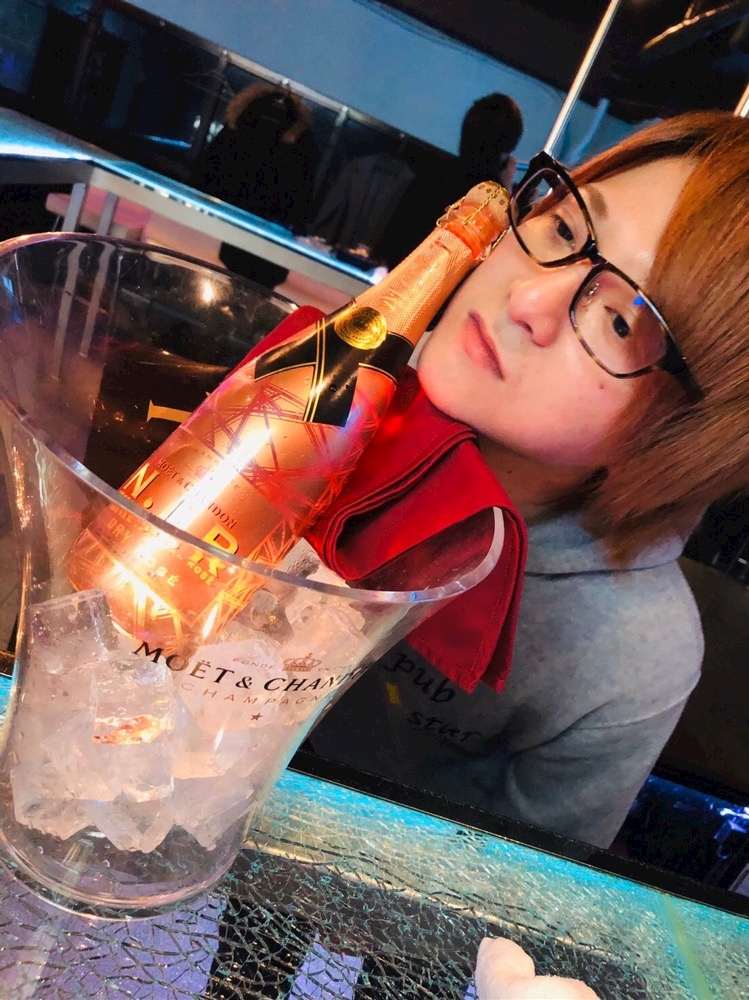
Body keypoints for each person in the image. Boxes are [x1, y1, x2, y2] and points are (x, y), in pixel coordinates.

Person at [306, 110, 749, 850]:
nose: (527, 299)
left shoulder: (629, 652)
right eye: (564, 229)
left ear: (694, 433)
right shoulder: (328, 398)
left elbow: (509, 889)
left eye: (620, 323)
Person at [190, 82, 319, 289]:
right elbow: (301, 203)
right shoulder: (302, 138)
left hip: (228, 228)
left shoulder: (238, 122)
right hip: (270, 243)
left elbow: (205, 173)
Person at [375, 92, 524, 268]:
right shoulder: (495, 209)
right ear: (508, 150)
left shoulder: (430, 177)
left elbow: (389, 247)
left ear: (465, 133)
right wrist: (506, 194)